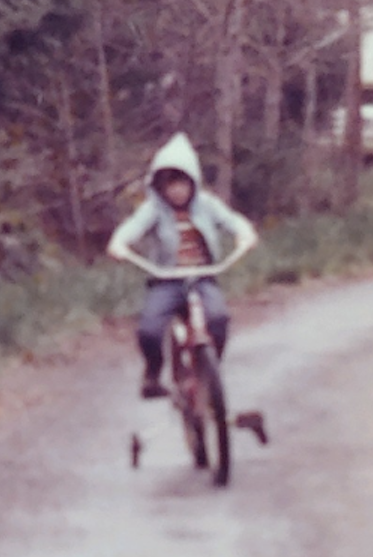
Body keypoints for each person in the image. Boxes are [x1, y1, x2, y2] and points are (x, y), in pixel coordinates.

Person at [106, 133, 259, 400]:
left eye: (182, 183)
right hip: (167, 279)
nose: (176, 191)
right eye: (169, 185)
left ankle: (210, 370)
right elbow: (132, 227)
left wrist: (245, 234)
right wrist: (119, 243)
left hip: (201, 276)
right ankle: (153, 372)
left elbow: (233, 220)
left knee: (219, 318)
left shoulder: (207, 205)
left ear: (193, 182)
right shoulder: (154, 209)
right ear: (160, 187)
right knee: (149, 330)